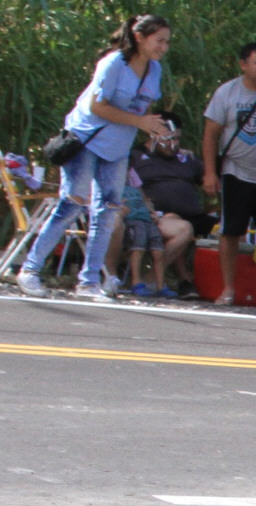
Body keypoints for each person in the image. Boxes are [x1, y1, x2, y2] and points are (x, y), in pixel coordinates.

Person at [16, 14, 172, 301]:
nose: (163, 47)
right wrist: (139, 122)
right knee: (72, 204)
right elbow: (97, 107)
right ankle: (30, 270)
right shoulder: (114, 63)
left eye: (167, 42)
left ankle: (89, 282)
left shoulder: (155, 69)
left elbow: (144, 108)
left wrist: (152, 127)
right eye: (159, 40)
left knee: (108, 211)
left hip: (118, 148)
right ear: (140, 37)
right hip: (87, 140)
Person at [201, 41, 256, 306]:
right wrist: (210, 172)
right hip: (236, 172)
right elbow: (210, 134)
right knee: (231, 231)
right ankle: (228, 289)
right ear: (243, 65)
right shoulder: (227, 92)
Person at [128, 112, 209, 295]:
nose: (174, 144)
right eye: (169, 138)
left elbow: (209, 182)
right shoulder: (136, 157)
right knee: (179, 223)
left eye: (177, 139)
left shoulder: (186, 158)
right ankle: (160, 280)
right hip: (155, 218)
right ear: (153, 134)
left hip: (194, 217)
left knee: (229, 228)